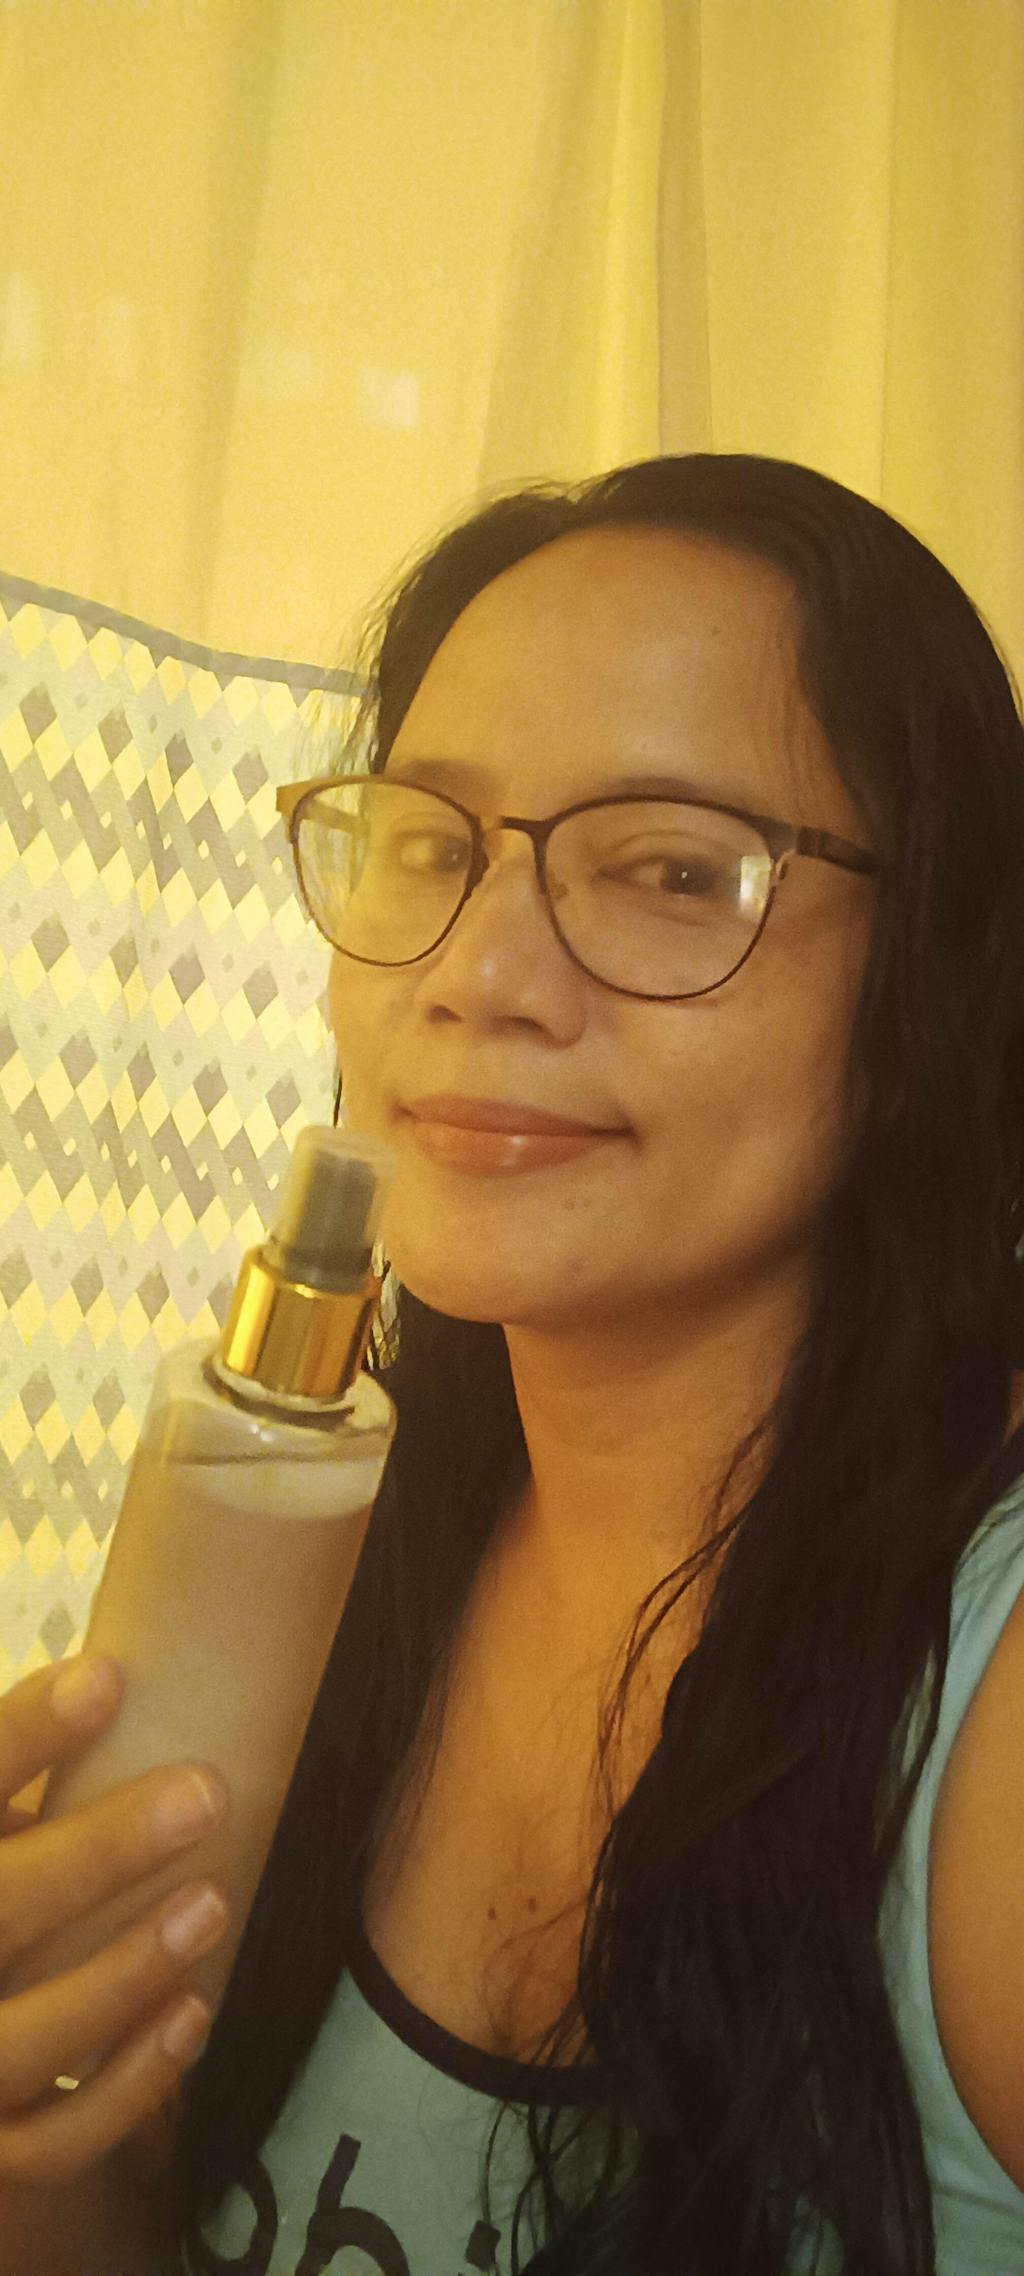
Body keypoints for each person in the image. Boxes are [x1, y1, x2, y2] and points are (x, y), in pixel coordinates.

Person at [3, 455, 1024, 2275]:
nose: (476, 974)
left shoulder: (987, 1719)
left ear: (934, 980)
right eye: (428, 842)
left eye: (669, 869)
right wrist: (45, 2132)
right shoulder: (326, 1534)